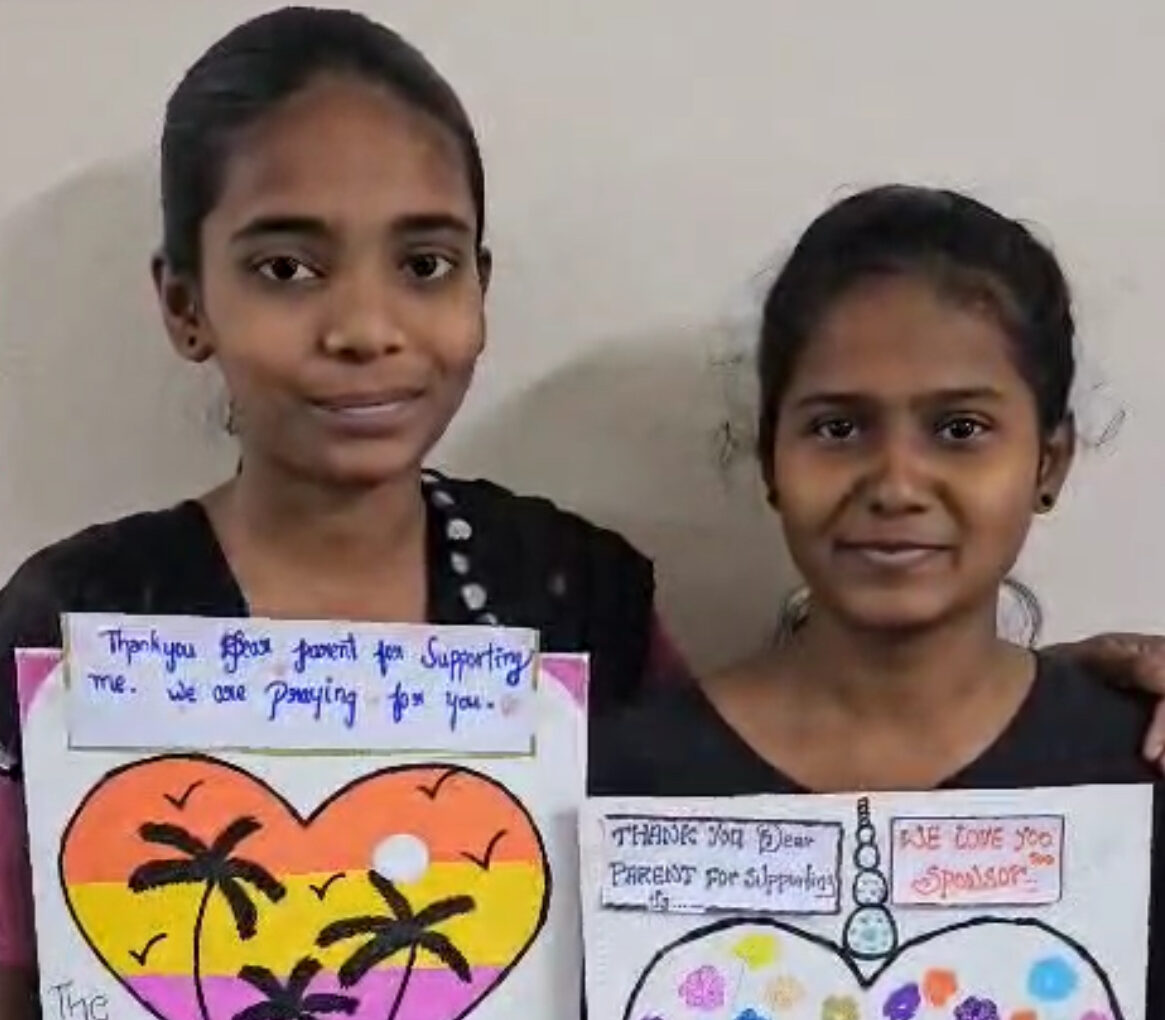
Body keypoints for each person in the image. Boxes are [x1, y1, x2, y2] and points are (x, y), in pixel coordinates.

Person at [0, 9, 1163, 1017]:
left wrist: (1074, 709)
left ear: (480, 282)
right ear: (185, 302)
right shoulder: (81, 619)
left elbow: (775, 792)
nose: (363, 329)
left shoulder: (570, 593)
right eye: (287, 269)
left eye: (423, 263)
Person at [591, 185, 1161, 1015]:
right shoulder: (620, 783)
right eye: (838, 428)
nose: (895, 484)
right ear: (769, 460)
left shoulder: (1136, 770)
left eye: (959, 429)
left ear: (1048, 463)